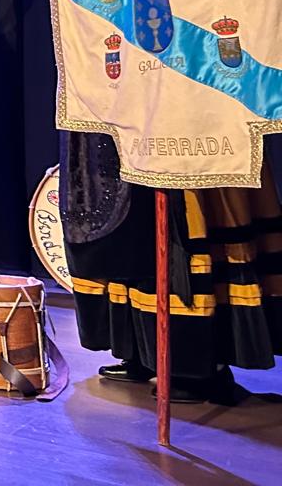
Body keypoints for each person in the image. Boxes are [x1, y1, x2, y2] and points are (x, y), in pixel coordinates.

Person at [63, 134, 282, 404]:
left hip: (183, 130)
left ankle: (195, 367)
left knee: (181, 229)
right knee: (123, 231)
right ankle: (139, 351)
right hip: (117, 118)